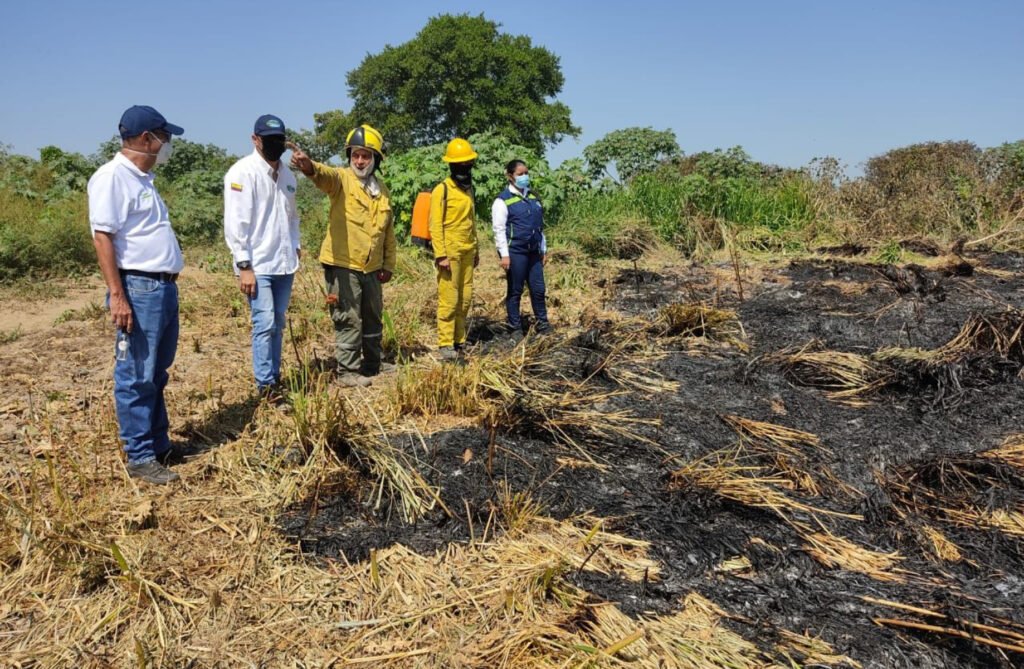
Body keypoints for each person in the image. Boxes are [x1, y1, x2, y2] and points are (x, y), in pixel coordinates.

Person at [88, 105, 187, 485]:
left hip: (162, 286)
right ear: (147, 138)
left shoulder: (143, 180)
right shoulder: (112, 177)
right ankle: (140, 455)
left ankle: (159, 444)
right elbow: (103, 237)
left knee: (156, 371)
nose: (167, 145)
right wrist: (118, 294)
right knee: (135, 374)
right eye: (165, 138)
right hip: (139, 287)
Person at [288, 125, 396, 387]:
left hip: (372, 267)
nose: (359, 161)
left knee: (372, 316)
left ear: (376, 159)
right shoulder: (341, 179)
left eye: (366, 156)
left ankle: (372, 363)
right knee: (348, 317)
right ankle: (347, 371)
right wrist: (308, 166)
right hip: (343, 265)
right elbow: (323, 175)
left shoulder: (380, 188)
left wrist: (388, 264)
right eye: (355, 155)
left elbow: (388, 232)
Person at [223, 114, 301, 397]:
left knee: (277, 323)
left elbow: (292, 217)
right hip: (258, 264)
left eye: (279, 140)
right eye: (269, 140)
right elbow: (236, 223)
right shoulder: (242, 173)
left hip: (284, 263)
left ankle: (275, 378)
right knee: (264, 322)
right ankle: (265, 385)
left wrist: (295, 244)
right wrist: (243, 264)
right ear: (255, 140)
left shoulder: (289, 175)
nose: (275, 145)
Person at [429, 138, 480, 362]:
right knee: (449, 299)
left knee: (465, 298)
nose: (464, 167)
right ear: (451, 165)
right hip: (449, 251)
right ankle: (445, 343)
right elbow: (435, 224)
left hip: (468, 250)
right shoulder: (442, 190)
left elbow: (472, 220)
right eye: (460, 164)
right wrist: (440, 254)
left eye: (467, 163)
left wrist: (476, 248)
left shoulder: (468, 190)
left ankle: (459, 339)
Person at [491, 159, 551, 340]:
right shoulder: (502, 201)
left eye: (526, 173)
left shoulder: (533, 197)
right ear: (510, 176)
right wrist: (504, 255)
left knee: (538, 289)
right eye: (520, 174)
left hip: (534, 252)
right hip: (515, 251)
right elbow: (499, 230)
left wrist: (543, 250)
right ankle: (515, 327)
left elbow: (539, 227)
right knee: (515, 290)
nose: (524, 177)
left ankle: (543, 323)